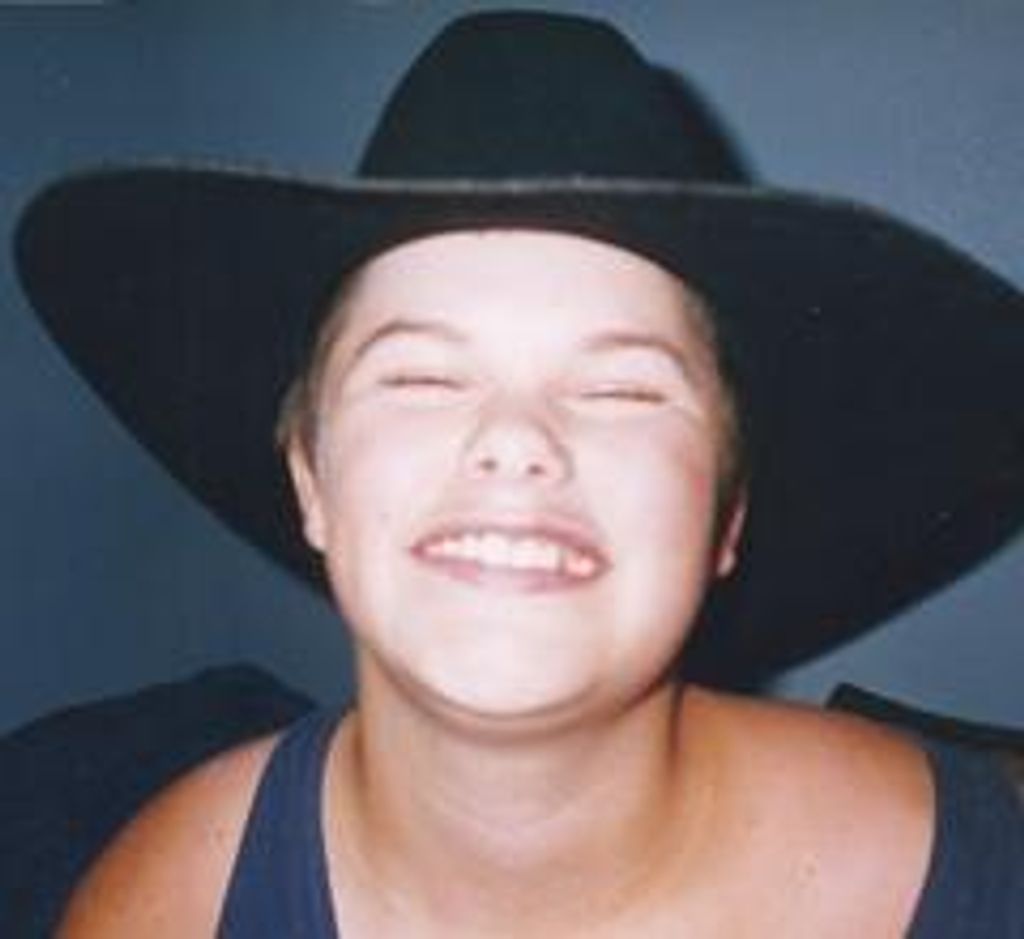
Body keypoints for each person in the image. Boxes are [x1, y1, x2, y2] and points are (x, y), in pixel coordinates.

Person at [14, 10, 1024, 937]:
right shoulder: (160, 908)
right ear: (311, 477)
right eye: (420, 376)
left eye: (623, 389)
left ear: (726, 513)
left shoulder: (968, 877)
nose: (516, 437)